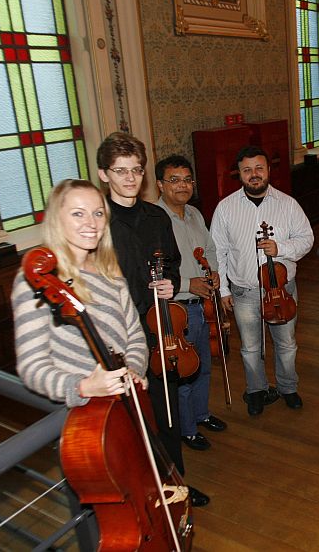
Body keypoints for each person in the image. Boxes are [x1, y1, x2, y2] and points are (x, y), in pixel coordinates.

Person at [96, 132, 209, 507]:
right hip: (120, 337)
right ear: (104, 174)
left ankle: (176, 485)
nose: (130, 178)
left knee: (167, 415)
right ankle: (143, 493)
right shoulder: (98, 223)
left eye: (136, 170)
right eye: (120, 170)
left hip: (162, 331)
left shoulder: (157, 217)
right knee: (132, 423)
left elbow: (173, 265)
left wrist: (170, 283)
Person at [12, 179, 148, 406]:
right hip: (81, 408)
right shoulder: (35, 280)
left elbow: (135, 335)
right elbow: (31, 367)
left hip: (124, 400)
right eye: (78, 214)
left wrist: (132, 370)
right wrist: (82, 387)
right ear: (57, 220)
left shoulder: (109, 271)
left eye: (98, 213)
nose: (91, 223)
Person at [211, 146, 314, 416]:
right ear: (239, 174)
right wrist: (223, 290)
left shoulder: (288, 204)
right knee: (250, 348)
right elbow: (218, 252)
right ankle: (256, 390)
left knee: (286, 343)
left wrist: (281, 248)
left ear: (268, 170)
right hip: (244, 291)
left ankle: (288, 387)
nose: (253, 174)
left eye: (259, 168)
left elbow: (307, 239)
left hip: (282, 289)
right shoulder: (226, 208)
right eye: (247, 170)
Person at [155, 155, 227, 451]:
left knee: (204, 366)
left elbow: (209, 248)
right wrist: (188, 284)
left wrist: (214, 272)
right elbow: (154, 271)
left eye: (187, 179)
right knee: (184, 373)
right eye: (174, 180)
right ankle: (187, 429)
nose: (182, 185)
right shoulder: (155, 220)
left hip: (202, 304)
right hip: (178, 309)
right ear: (160, 185)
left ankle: (201, 414)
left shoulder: (195, 213)